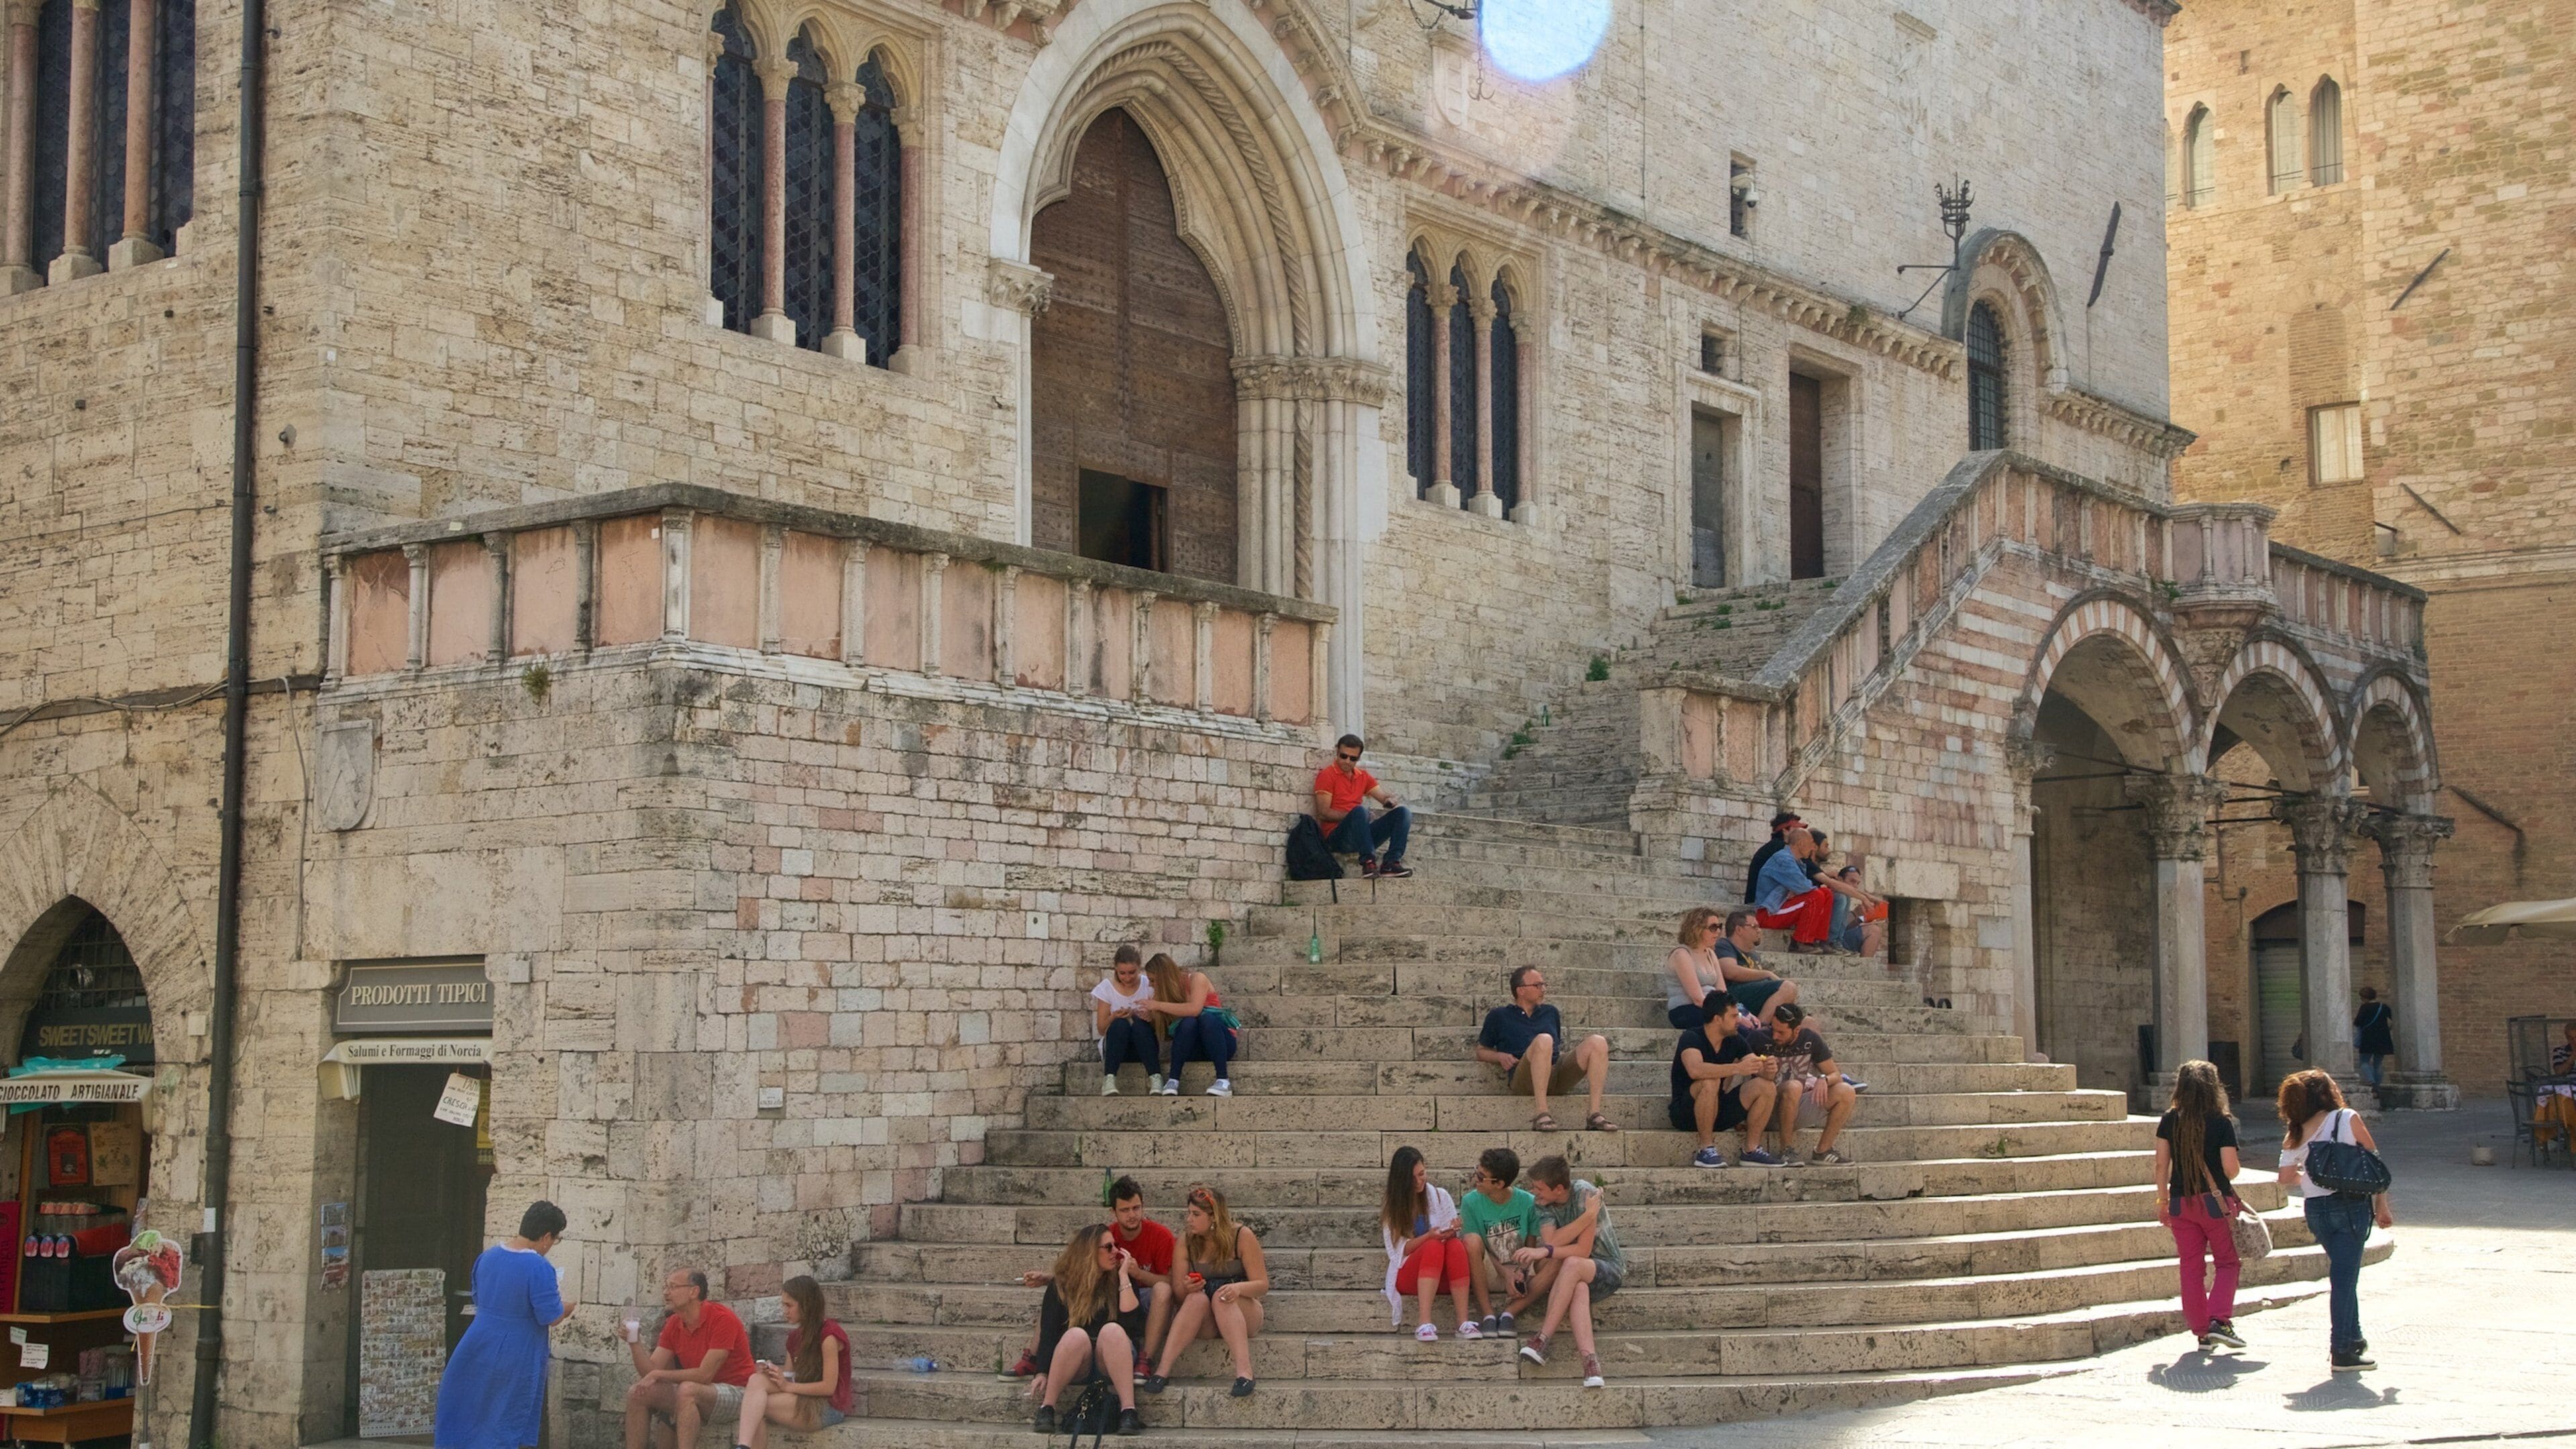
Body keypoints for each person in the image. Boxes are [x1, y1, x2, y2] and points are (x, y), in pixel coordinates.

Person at [2276, 1067, 2395, 1373]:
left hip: (2316, 1210)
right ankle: (2341, 1349)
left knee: (2344, 1274)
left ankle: (2355, 1339)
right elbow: (2374, 1163)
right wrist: (2382, 1205)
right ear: (2325, 1093)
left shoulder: (2296, 1131)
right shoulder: (2347, 1118)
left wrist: (2310, 1178)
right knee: (2344, 1279)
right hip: (2350, 1206)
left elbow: (2285, 1178)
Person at [435, 1201, 575, 1449]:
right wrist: (568, 1307)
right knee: (508, 1417)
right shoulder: (539, 1267)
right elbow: (550, 1316)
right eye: (555, 1239)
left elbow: (479, 1298)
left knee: (473, 1414)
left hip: (477, 1343)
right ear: (546, 1237)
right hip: (517, 1351)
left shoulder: (487, 1257)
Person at [1012, 1177, 1177, 1379]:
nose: (1132, 1215)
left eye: (1136, 1208)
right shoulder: (1108, 1236)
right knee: (1057, 1293)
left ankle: (1145, 1360)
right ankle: (1033, 1357)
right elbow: (1085, 1267)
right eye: (1125, 1210)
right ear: (1113, 1212)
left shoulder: (1161, 1236)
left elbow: (1174, 1283)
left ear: (1144, 1206)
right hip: (1117, 1297)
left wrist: (1138, 1274)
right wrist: (1049, 1278)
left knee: (1163, 1290)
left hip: (1147, 1300)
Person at [1142, 1184, 1268, 1399]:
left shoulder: (1241, 1236)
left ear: (1214, 1217)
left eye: (1196, 1214)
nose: (1189, 1219)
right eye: (1189, 1213)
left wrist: (1237, 1288)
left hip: (1242, 1311)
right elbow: (1178, 1294)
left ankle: (1244, 1373)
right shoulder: (1186, 1242)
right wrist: (1187, 1288)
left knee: (1222, 1296)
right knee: (1195, 1300)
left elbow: (1262, 1285)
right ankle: (1162, 1371)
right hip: (1206, 1318)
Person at [2154, 1060, 2246, 1354]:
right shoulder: (2221, 1122)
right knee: (2227, 1262)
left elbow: (2161, 1165)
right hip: (2214, 1203)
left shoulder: (2170, 1119)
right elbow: (2230, 1170)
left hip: (2180, 1202)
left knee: (2191, 1267)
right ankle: (2219, 1319)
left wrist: (2162, 1201)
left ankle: (2202, 1332)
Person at [1511, 1155, 1625, 1389]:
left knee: (1572, 1263)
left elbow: (1582, 1250)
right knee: (1578, 1287)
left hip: (1607, 1269)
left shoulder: (1585, 1193)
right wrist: (1588, 1216)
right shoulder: (1542, 1203)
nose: (1534, 1192)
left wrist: (1545, 1251)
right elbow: (1552, 1240)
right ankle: (1591, 1365)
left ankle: (1542, 1339)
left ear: (1559, 1188)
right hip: (1575, 1275)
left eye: (1539, 1188)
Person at [1029, 1224, 1146, 1437]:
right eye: (1108, 1247)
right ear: (1090, 1251)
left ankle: (1129, 1411)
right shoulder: (1062, 1284)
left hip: (1112, 1358)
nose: (1115, 1252)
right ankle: (1047, 1408)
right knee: (1075, 1335)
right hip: (1077, 1360)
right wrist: (1042, 1371)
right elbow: (1049, 1332)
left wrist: (1124, 1278)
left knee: (1112, 1330)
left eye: (1116, 1246)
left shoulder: (1121, 1279)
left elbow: (1132, 1326)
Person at [1474, 966, 1617, 1133]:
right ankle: (1542, 1113)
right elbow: (1481, 1051)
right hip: (1524, 1076)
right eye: (1537, 985)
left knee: (1598, 1042)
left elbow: (1555, 1047)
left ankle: (1594, 1115)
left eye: (1543, 985)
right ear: (1520, 990)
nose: (1543, 989)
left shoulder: (1550, 1012)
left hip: (1555, 1073)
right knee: (1544, 1039)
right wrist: (1499, 1056)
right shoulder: (1499, 1016)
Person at [623, 1269, 754, 1449]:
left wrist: (659, 1374)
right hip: (699, 1391)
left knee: (687, 1390)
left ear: (694, 1291)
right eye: (666, 1287)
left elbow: (704, 1375)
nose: (666, 1292)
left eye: (673, 1287)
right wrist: (634, 1343)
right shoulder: (674, 1323)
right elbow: (649, 1372)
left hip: (738, 1393)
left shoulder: (723, 1319)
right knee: (637, 1392)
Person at [732, 1275, 851, 1448]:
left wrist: (787, 1387)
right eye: (783, 1305)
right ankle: (743, 1446)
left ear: (806, 1305)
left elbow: (828, 1387)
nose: (784, 1311)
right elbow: (790, 1376)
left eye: (789, 1305)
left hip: (828, 1407)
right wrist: (773, 1373)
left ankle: (743, 1446)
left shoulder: (829, 1336)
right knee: (756, 1381)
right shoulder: (795, 1337)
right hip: (801, 1397)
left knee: (756, 1407)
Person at [1740, 1002, 1858, 1165]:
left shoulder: (1810, 1039)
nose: (1775, 1036)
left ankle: (1823, 1151)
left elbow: (1835, 1074)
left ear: (1797, 1030)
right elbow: (1739, 1070)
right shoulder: (1759, 1038)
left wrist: (1824, 1079)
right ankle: (1786, 1150)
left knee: (1846, 1091)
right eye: (1773, 1029)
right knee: (1794, 1086)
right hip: (1764, 1109)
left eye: (1781, 1032)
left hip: (1795, 1107)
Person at [1669, 996, 1780, 1169]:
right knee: (1710, 1081)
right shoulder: (1691, 1037)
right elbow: (1695, 1070)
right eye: (1734, 1016)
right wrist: (1737, 1069)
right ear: (1718, 1019)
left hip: (1717, 1109)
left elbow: (1756, 1067)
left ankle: (1751, 1150)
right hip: (1686, 1113)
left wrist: (1769, 1070)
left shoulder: (1735, 1039)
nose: (1739, 1021)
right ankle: (1706, 1149)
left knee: (1766, 1086)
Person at [1380, 1145, 1474, 1338]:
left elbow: (1450, 1238)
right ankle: (1424, 1323)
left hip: (1442, 1276)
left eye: (1422, 1174)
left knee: (1455, 1245)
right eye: (1412, 1178)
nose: (1419, 1181)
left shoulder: (1440, 1195)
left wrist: (1452, 1231)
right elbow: (1399, 1251)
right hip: (1409, 1275)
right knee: (1433, 1245)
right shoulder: (1394, 1206)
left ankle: (1463, 1322)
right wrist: (1429, 1237)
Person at [1456, 1147, 1541, 1336]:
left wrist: (1520, 1272)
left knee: (1557, 1258)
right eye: (1477, 1171)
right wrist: (1506, 1273)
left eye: (1481, 1177)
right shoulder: (1470, 1202)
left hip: (1521, 1269)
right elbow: (1477, 1247)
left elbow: (1531, 1244)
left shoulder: (1528, 1202)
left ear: (1499, 1184)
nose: (1475, 1179)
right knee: (1471, 1240)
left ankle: (1510, 1313)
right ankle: (1488, 1315)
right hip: (1490, 1269)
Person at [1313, 733, 1413, 878]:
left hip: (1361, 834)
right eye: (1343, 756)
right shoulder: (1327, 775)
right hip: (1337, 838)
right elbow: (1323, 813)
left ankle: (1391, 863)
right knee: (1360, 811)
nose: (1347, 761)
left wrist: (1390, 801)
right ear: (1337, 752)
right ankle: (1368, 862)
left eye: (1353, 758)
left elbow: (1382, 797)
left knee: (1403, 813)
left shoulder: (1363, 776)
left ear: (1358, 758)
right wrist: (1355, 817)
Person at [1142, 952, 1236, 1097]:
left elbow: (1195, 1009)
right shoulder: (1163, 995)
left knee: (1206, 1019)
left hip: (1220, 1043)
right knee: (1188, 1022)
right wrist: (1152, 1018)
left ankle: (1223, 1081)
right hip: (1193, 1048)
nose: (1150, 985)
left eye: (1153, 980)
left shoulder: (1197, 979)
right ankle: (1173, 1080)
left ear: (1163, 977)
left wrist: (1158, 1005)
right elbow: (1168, 1035)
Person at [1752, 826, 1837, 953]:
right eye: (1811, 844)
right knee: (1816, 896)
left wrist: (1797, 891)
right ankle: (1800, 942)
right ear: (1801, 844)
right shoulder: (1783, 859)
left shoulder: (1795, 861)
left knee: (1826, 894)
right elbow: (1803, 886)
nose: (1813, 848)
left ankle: (1819, 940)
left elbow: (1801, 888)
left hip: (1782, 907)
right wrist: (1798, 890)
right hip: (1769, 914)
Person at [1711, 909, 1799, 1026]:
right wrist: (1766, 974)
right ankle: (1759, 1030)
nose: (1759, 930)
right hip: (1735, 995)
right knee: (1788, 987)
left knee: (1808, 1022)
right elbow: (1730, 971)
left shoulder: (1754, 955)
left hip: (1756, 997)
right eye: (1754, 927)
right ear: (1739, 930)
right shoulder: (1725, 945)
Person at [1093, 945, 1161, 1095]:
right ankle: (1109, 1079)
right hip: (1116, 1047)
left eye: (1132, 973)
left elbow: (1160, 1024)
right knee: (1120, 1024)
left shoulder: (1148, 984)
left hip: (1144, 1046)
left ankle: (1156, 1078)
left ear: (1139, 968)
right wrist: (1114, 1016)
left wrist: (1148, 1017)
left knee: (1139, 1024)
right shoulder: (1106, 988)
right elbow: (1102, 1029)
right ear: (1115, 969)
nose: (1128, 978)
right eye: (1122, 973)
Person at [1741, 810, 1803, 906]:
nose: (1801, 834)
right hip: (1763, 906)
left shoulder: (1774, 847)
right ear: (1785, 830)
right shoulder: (1780, 849)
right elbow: (1797, 882)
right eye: (1797, 830)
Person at [1827, 863, 1888, 957]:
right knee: (1874, 930)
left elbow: (1842, 927)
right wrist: (1855, 914)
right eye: (1852, 881)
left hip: (1841, 940)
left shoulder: (1846, 897)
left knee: (1875, 930)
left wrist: (1862, 918)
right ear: (1840, 880)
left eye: (1857, 883)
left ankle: (1865, 965)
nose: (1855, 886)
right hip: (1828, 942)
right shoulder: (1836, 896)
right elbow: (1831, 927)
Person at [2352, 987, 2396, 1088]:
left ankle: (2371, 1081)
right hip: (2383, 1038)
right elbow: (2394, 1018)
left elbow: (2357, 1022)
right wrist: (2389, 1028)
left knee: (2364, 1062)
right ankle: (2377, 1087)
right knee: (2378, 1064)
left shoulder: (2365, 1007)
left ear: (2365, 998)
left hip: (2368, 1038)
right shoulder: (2383, 1007)